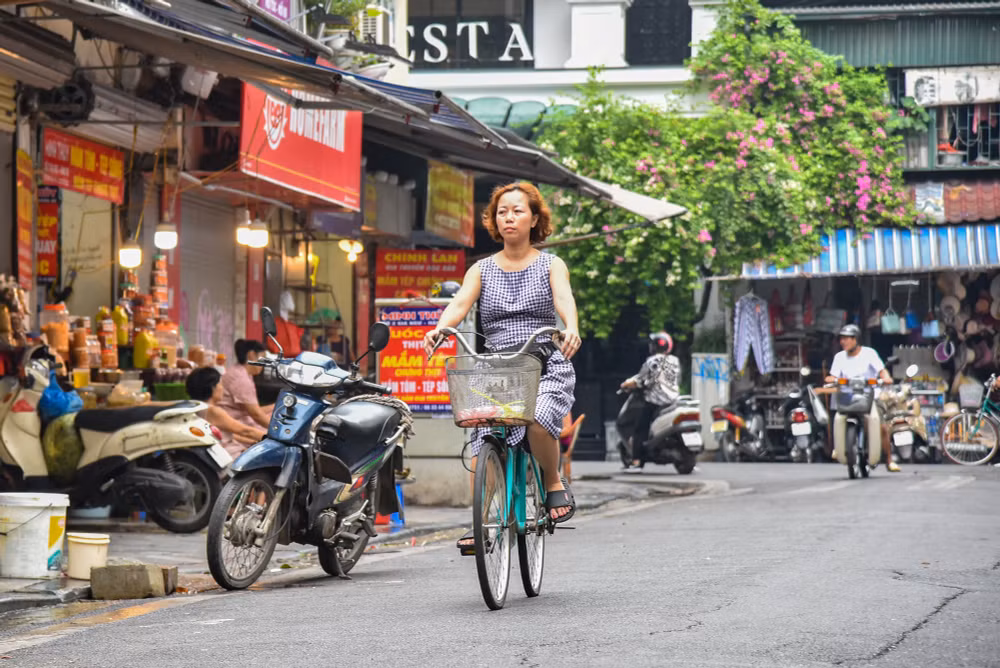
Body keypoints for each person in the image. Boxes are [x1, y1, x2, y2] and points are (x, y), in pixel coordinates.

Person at [422, 182, 582, 554]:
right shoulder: (481, 269)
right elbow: (460, 304)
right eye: (501, 212)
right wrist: (441, 328)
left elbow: (564, 300)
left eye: (517, 211)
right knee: (481, 441)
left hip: (543, 362)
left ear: (534, 218)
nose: (509, 218)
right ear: (494, 221)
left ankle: (553, 483)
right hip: (497, 370)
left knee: (540, 420)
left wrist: (571, 327)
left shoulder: (551, 264)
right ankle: (485, 520)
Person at [825, 324, 901, 473]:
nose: (843, 342)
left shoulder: (869, 354)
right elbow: (833, 376)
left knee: (881, 427)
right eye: (842, 339)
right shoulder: (839, 357)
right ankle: (839, 446)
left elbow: (882, 371)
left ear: (856, 340)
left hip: (869, 395)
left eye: (847, 338)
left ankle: (889, 459)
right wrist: (830, 380)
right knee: (837, 418)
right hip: (847, 397)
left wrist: (886, 377)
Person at [619, 332, 681, 469]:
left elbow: (641, 380)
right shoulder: (674, 361)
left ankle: (636, 461)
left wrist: (626, 385)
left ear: (653, 347)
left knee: (640, 428)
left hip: (655, 401)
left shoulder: (651, 361)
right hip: (672, 400)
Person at [186, 367, 267, 458]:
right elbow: (246, 431)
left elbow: (229, 434)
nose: (222, 389)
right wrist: (272, 438)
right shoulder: (213, 411)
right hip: (229, 456)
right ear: (213, 388)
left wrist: (252, 441)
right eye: (221, 385)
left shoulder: (195, 407)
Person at [218, 339, 274, 431]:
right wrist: (277, 431)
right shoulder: (240, 378)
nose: (264, 364)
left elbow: (254, 410)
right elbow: (256, 414)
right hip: (234, 424)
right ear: (251, 355)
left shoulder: (242, 373)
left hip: (240, 418)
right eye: (262, 358)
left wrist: (275, 406)